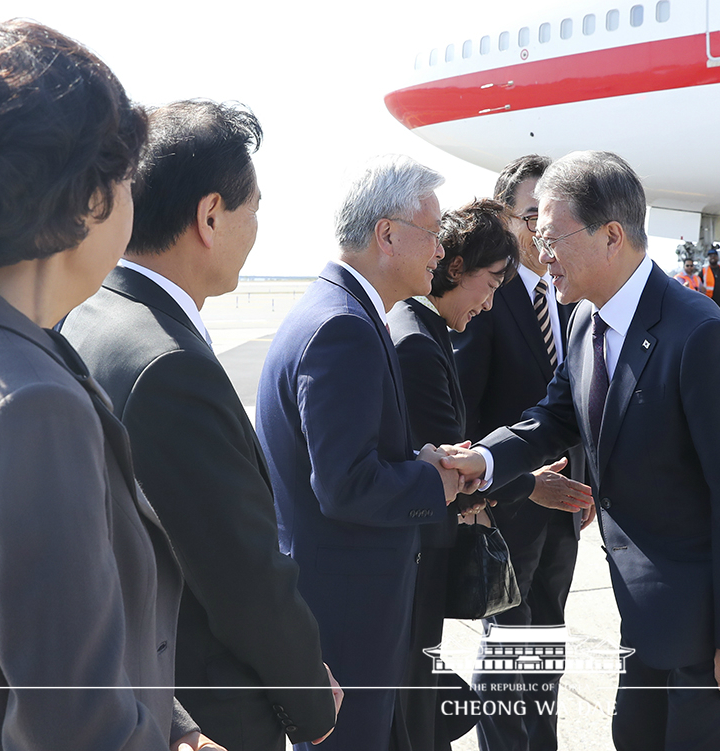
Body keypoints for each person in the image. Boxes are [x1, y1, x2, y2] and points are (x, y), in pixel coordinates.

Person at [441, 151, 720, 751]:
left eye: (551, 237)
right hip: (650, 610)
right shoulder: (587, 320)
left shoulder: (700, 335)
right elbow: (556, 416)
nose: (540, 252)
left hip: (714, 616)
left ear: (612, 236)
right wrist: (485, 459)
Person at [0, 8, 219, 750]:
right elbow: (74, 725)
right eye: (125, 177)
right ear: (91, 198)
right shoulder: (29, 407)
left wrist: (173, 725)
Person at [61, 100, 342, 750]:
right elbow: (242, 577)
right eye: (256, 209)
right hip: (206, 708)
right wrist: (310, 700)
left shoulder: (94, 310)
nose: (258, 227)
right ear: (210, 216)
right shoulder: (171, 364)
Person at [255, 154, 466, 751]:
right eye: (434, 233)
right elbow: (345, 484)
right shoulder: (342, 327)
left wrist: (416, 460)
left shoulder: (337, 311)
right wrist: (435, 483)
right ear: (388, 234)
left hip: (338, 606)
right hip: (346, 619)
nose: (441, 252)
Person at [390, 198, 591, 750]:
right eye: (492, 282)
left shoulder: (549, 304)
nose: (493, 299)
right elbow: (455, 447)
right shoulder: (422, 340)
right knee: (503, 670)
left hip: (548, 515)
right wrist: (525, 485)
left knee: (541, 662)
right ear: (456, 267)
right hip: (501, 513)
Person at [450, 154, 593, 751]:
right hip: (507, 509)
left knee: (546, 654)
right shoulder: (488, 300)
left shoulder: (570, 297)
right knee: (509, 658)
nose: (543, 230)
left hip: (565, 511)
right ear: (505, 220)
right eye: (531, 215)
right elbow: (461, 413)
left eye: (553, 217)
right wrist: (514, 480)